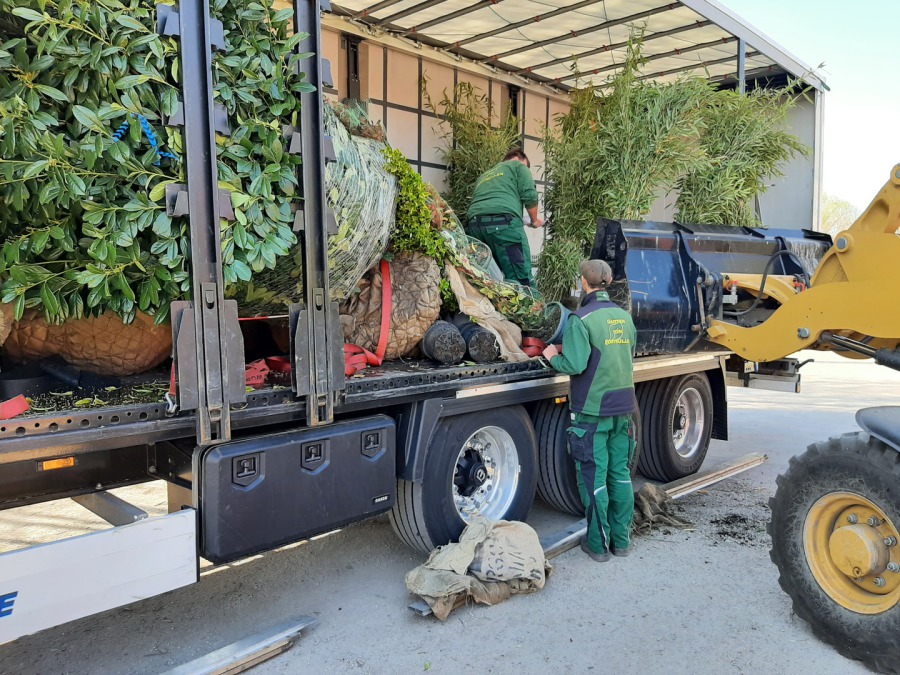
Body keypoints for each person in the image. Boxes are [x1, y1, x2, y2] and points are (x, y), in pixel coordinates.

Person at [542, 259, 637, 562]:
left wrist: (552, 356)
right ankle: (622, 542)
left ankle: (598, 545)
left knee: (594, 478)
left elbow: (575, 364)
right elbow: (623, 352)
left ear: (584, 283)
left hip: (592, 412)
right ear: (608, 282)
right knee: (620, 474)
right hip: (624, 408)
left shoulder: (580, 319)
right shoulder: (624, 317)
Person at [466, 149, 543, 287]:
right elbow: (530, 195)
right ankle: (527, 299)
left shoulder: (485, 175)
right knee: (521, 281)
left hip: (474, 228)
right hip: (503, 227)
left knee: (485, 281)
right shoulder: (519, 166)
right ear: (520, 161)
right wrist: (535, 220)